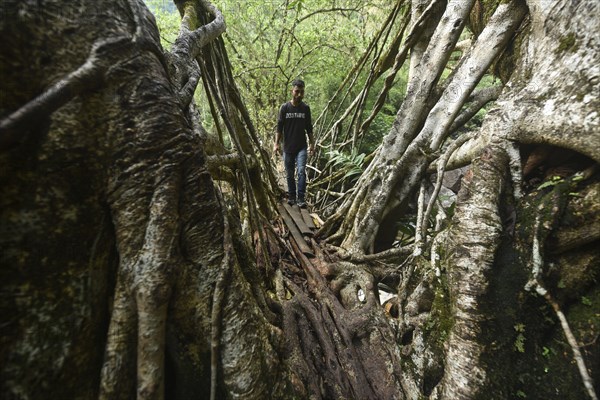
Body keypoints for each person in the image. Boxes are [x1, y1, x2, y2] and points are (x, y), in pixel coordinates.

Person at [273, 79, 315, 208]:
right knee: (290, 173)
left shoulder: (305, 108)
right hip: (288, 147)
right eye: (297, 91)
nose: (299, 94)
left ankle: (301, 198)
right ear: (292, 91)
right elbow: (279, 127)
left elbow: (309, 128)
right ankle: (292, 196)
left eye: (302, 92)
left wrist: (312, 144)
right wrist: (276, 144)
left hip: (301, 147)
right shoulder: (285, 108)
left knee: (301, 171)